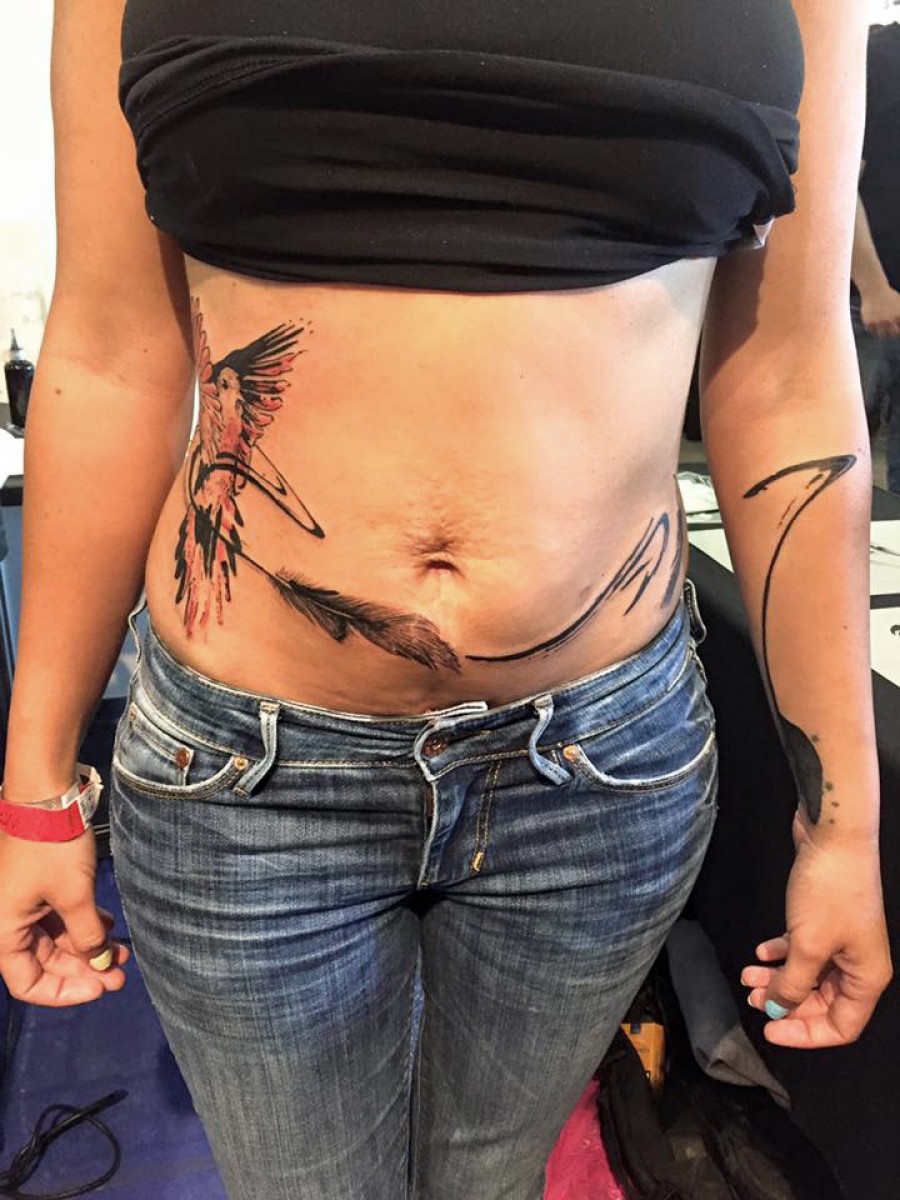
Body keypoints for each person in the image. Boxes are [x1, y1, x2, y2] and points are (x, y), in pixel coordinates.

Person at [0, 2, 891, 1198]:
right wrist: (36, 790)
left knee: (494, 1180)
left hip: (599, 771)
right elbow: (113, 356)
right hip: (248, 777)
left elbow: (786, 376)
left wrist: (844, 824)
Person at [851, 20, 900, 494]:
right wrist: (873, 287)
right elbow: (839, 185)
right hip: (871, 301)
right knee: (843, 453)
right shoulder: (879, 58)